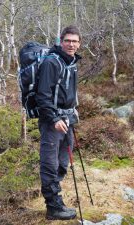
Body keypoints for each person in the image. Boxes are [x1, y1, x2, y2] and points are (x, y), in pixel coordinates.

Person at [35, 25, 81, 220]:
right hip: (52, 123)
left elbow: (68, 92)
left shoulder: (71, 62)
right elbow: (42, 95)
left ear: (79, 44)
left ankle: (56, 199)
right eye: (67, 40)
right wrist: (53, 119)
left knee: (63, 162)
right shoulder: (52, 63)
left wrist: (73, 111)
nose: (71, 44)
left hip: (67, 120)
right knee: (50, 164)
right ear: (61, 41)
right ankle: (53, 208)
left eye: (75, 41)